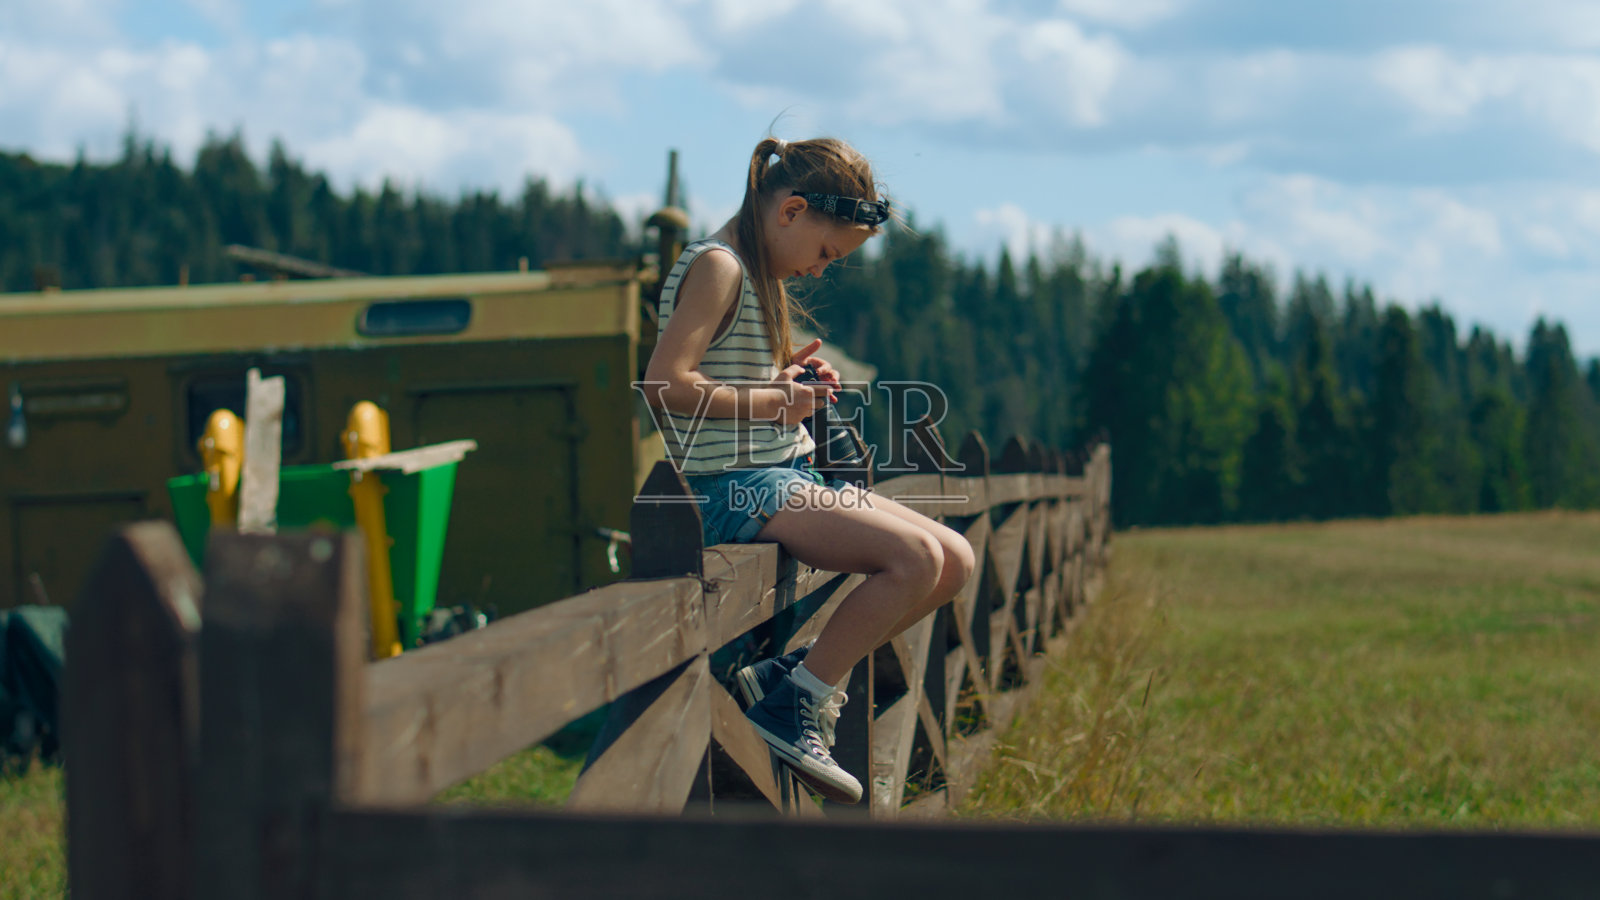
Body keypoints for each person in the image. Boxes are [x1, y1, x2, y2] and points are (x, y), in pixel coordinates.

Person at [642, 136, 976, 803]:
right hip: (732, 489)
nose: (822, 271)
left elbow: (723, 378)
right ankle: (796, 702)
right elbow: (664, 384)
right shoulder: (719, 266)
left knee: (955, 560)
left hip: (778, 476)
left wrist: (786, 376)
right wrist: (778, 400)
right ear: (790, 211)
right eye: (827, 254)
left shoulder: (749, 271)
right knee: (911, 560)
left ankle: (792, 681)